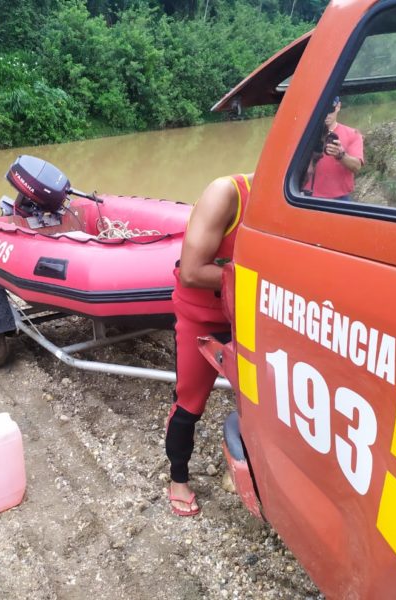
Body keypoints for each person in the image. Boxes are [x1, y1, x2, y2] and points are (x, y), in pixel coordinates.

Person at [166, 172, 253, 517]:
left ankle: (248, 466)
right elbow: (191, 271)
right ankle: (178, 479)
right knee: (190, 401)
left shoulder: (300, 198)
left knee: (260, 402)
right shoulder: (227, 193)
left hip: (250, 314)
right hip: (202, 317)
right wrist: (268, 272)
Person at [303, 96, 364, 201]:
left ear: (338, 106)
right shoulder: (304, 134)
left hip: (340, 199)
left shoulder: (353, 134)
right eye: (322, 109)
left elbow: (357, 167)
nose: (327, 114)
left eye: (330, 109)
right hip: (308, 197)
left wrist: (341, 155)